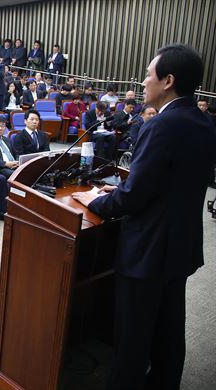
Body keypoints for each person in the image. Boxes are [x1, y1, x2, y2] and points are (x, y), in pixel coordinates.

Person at [72, 44, 216, 390]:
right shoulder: (203, 121)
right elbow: (170, 183)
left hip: (148, 251)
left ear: (168, 80)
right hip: (180, 245)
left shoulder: (162, 125)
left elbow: (135, 197)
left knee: (132, 337)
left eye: (149, 74)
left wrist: (94, 201)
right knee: (169, 327)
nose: (142, 81)